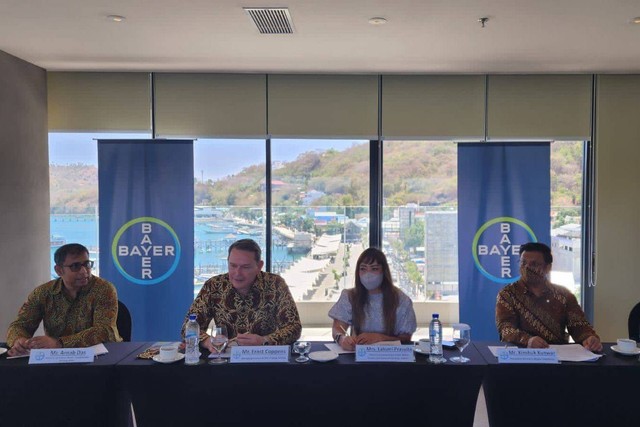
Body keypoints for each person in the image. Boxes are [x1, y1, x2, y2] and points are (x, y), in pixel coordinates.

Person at [182, 239, 301, 353]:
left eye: (245, 267)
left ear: (259, 266)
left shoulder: (275, 284)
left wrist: (264, 341)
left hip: (264, 358)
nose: (237, 273)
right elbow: (188, 327)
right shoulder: (214, 286)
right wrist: (208, 342)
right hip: (225, 359)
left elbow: (294, 327)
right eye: (233, 266)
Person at [6, 243, 122, 356]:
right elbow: (19, 325)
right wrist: (19, 341)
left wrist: (59, 343)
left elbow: (103, 330)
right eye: (75, 266)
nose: (84, 271)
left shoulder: (104, 289)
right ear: (59, 270)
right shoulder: (43, 293)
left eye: (87, 264)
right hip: (57, 358)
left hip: (103, 357)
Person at [496, 242, 602, 351]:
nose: (527, 268)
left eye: (534, 264)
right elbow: (506, 328)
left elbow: (578, 325)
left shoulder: (564, 295)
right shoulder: (507, 294)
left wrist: (589, 338)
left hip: (558, 356)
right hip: (520, 356)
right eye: (523, 263)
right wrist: (527, 340)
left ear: (548, 267)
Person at [329, 247, 417, 351]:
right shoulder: (349, 296)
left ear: (384, 271)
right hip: (359, 357)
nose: (368, 274)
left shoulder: (401, 300)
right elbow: (337, 328)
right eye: (363, 269)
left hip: (391, 359)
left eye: (374, 269)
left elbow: (406, 339)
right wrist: (342, 339)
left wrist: (381, 339)